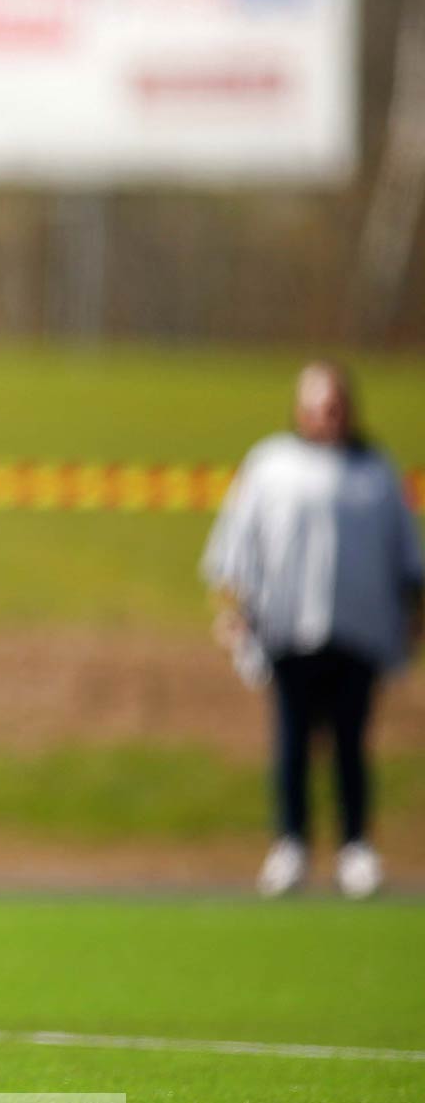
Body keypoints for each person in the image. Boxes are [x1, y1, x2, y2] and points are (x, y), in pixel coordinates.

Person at [203, 361, 422, 900]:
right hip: (288, 630)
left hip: (358, 631)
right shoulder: (272, 465)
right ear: (301, 411)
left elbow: (407, 558)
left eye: (337, 407)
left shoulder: (375, 472)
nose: (330, 417)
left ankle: (355, 848)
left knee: (351, 741)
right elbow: (236, 548)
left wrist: (414, 618)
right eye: (320, 407)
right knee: (292, 741)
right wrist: (233, 608)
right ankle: (291, 844)